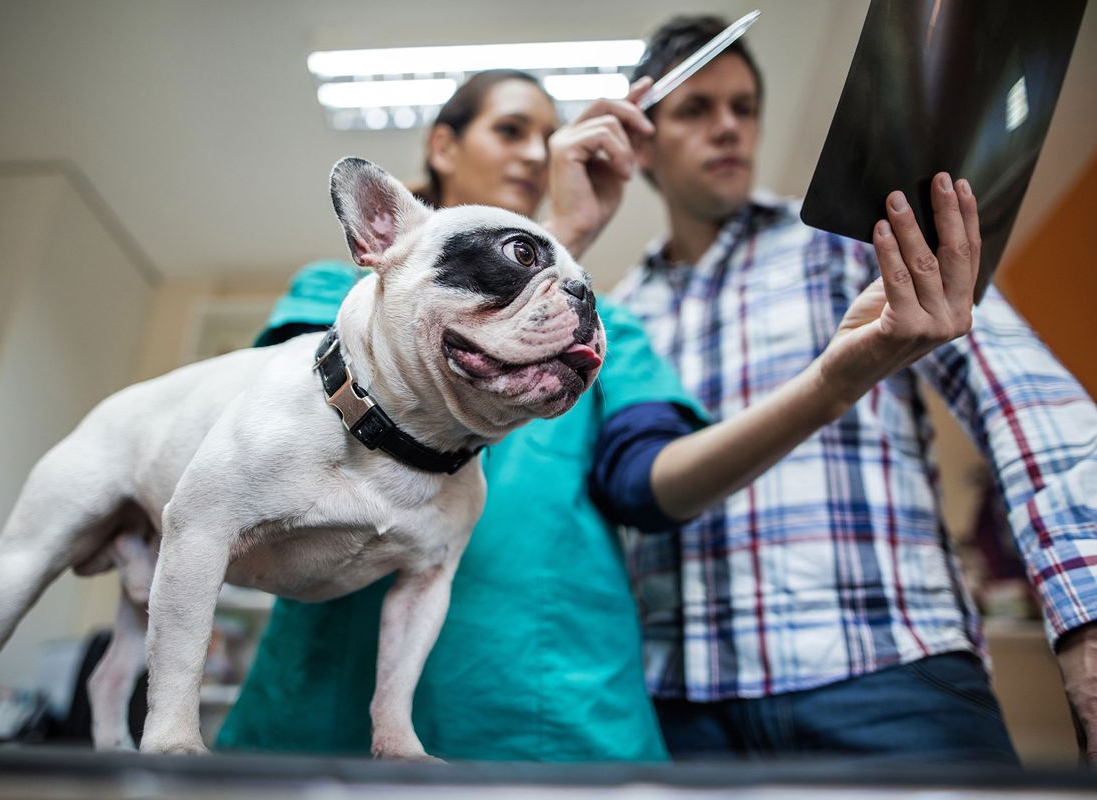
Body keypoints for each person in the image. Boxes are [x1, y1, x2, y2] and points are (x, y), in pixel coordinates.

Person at [216, 67, 979, 761]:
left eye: (548, 138)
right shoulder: (345, 292)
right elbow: (287, 435)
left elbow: (653, 486)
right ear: (443, 145)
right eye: (509, 130)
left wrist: (834, 380)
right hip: (326, 720)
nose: (533, 157)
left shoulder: (609, 322)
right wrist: (556, 245)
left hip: (554, 725)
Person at [609, 16, 1097, 763]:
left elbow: (1023, 398)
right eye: (696, 110)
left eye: (743, 107)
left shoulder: (851, 239)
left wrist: (1087, 616)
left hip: (889, 679)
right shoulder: (617, 318)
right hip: (685, 711)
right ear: (642, 142)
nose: (729, 127)